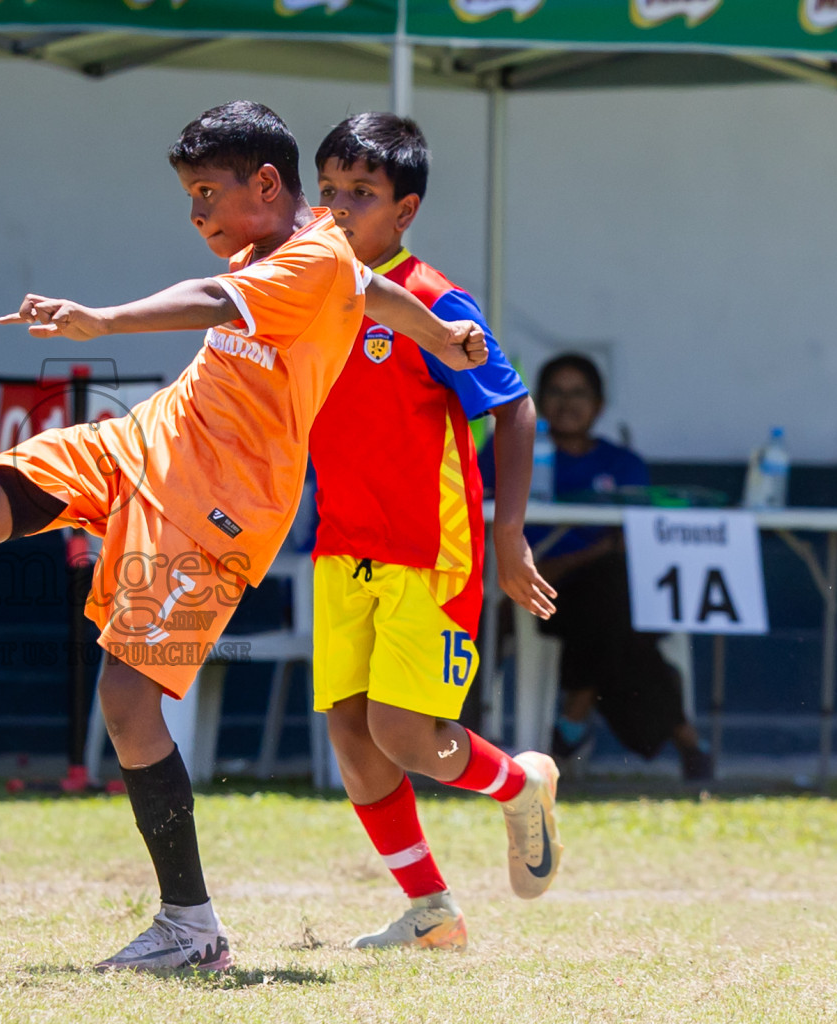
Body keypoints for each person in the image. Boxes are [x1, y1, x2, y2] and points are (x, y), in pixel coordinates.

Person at [0, 100, 488, 972]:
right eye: (189, 198)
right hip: (149, 438)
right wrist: (441, 333)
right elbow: (371, 291)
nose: (197, 217)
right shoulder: (317, 248)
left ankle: (190, 928)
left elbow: (214, 298)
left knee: (127, 704)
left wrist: (99, 321)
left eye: (208, 195)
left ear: (265, 182)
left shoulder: (307, 256)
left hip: (221, 504)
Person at [306, 113, 562, 953]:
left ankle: (520, 783)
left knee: (404, 734)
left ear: (404, 209)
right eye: (330, 190)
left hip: (430, 547)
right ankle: (432, 914)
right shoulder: (309, 288)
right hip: (342, 547)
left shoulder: (432, 299)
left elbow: (515, 408)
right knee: (350, 731)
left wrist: (510, 533)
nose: (340, 210)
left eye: (363, 195)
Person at [480, 353, 713, 781]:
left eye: (579, 393)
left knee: (609, 601)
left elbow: (636, 542)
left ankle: (574, 715)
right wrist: (589, 552)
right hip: (536, 589)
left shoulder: (622, 464)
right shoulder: (508, 450)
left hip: (604, 596)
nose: (568, 403)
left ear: (600, 404)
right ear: (538, 400)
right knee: (616, 613)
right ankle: (684, 735)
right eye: (556, 392)